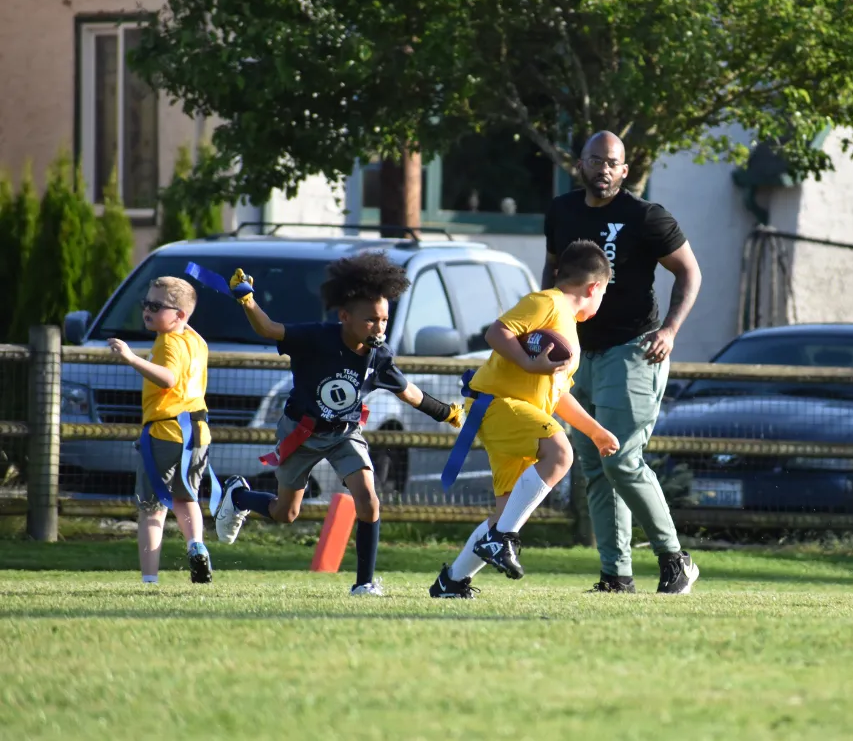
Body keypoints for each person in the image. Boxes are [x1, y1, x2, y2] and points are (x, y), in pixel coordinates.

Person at [212, 252, 461, 596]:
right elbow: (269, 328)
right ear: (345, 316)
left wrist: (446, 412)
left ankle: (363, 584)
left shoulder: (380, 355)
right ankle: (238, 495)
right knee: (286, 514)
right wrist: (248, 300)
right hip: (301, 433)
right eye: (371, 320)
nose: (379, 327)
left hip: (345, 434)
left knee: (369, 500)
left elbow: (409, 392)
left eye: (384, 320)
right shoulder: (316, 338)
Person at [543, 131, 702, 594]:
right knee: (594, 466)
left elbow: (690, 271)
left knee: (623, 460)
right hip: (576, 353)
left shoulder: (646, 216)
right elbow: (552, 273)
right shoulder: (561, 211)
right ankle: (617, 575)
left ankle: (675, 560)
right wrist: (547, 327)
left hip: (632, 350)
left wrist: (669, 330)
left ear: (625, 170)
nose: (605, 169)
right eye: (597, 160)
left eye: (613, 163)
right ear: (581, 165)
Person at [430, 241, 619, 598]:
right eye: (604, 293)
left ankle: (451, 582)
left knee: (505, 513)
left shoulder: (570, 330)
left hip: (520, 417)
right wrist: (528, 362)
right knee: (561, 454)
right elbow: (496, 332)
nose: (601, 300)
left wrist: (594, 431)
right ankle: (502, 540)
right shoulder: (547, 302)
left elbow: (558, 393)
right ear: (595, 287)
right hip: (498, 405)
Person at [108, 276, 214, 585]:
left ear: (179, 315)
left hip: (166, 434)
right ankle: (196, 545)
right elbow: (188, 322)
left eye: (156, 306)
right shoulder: (196, 341)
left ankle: (150, 579)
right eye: (146, 304)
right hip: (197, 435)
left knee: (151, 510)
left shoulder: (168, 342)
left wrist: (130, 358)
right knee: (186, 499)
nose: (147, 311)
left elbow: (167, 378)